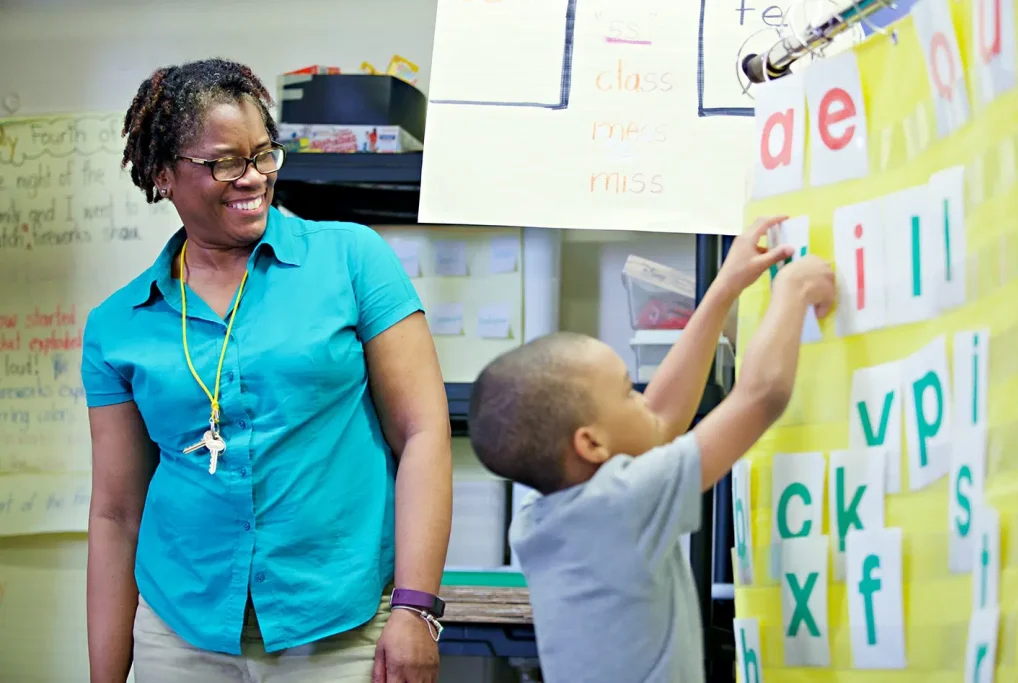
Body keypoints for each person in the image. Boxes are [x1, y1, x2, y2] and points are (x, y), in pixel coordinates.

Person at [82, 59, 452, 683]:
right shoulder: (117, 325)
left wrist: (417, 608)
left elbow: (422, 433)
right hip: (181, 635)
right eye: (224, 162)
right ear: (162, 175)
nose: (252, 177)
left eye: (263, 154)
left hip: (341, 630)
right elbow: (117, 512)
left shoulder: (352, 260)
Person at [467, 216, 837, 683]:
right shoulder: (619, 506)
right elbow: (761, 397)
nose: (642, 398)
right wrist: (793, 292)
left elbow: (658, 424)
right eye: (627, 392)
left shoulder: (545, 514)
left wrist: (723, 289)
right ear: (591, 444)